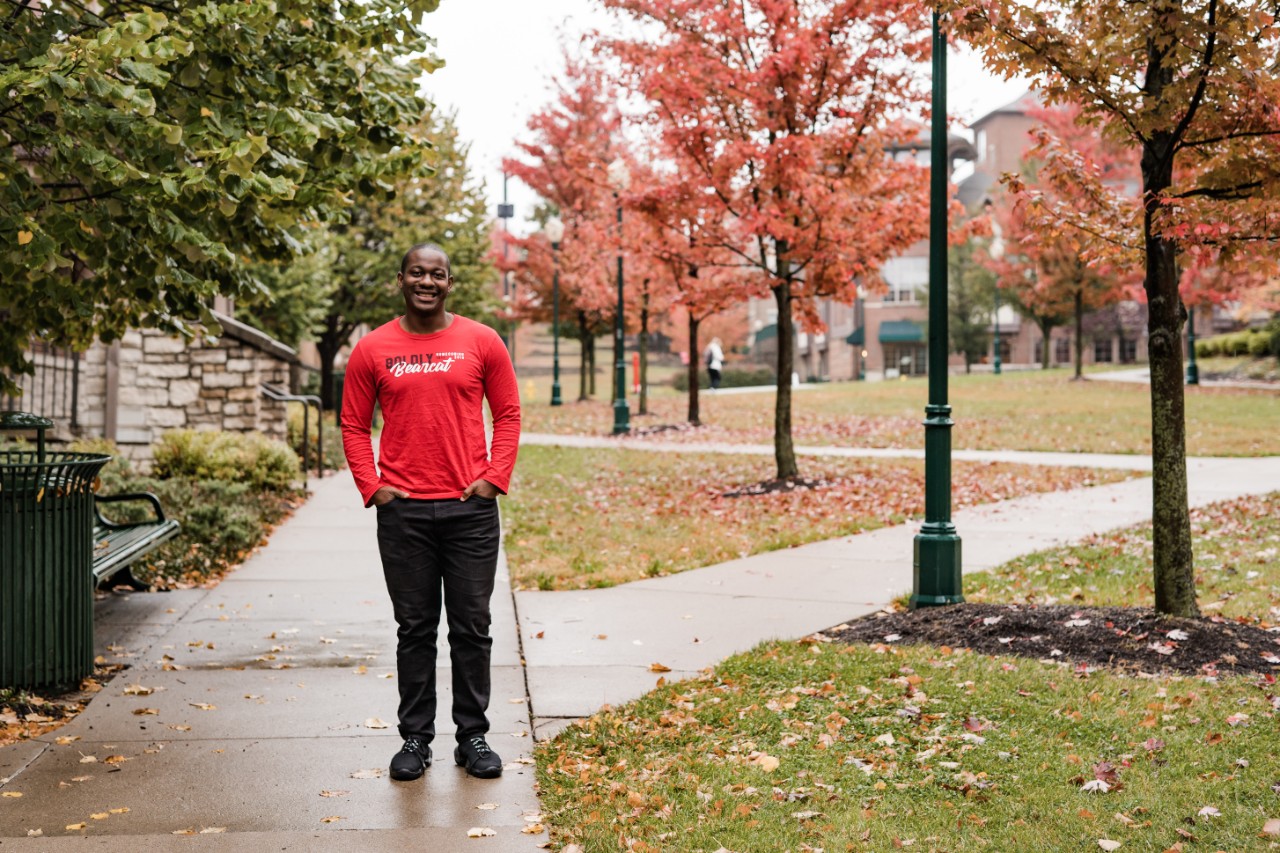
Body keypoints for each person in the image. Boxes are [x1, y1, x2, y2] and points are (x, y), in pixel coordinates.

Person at [340, 243, 521, 782]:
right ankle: (416, 739)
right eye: (417, 272)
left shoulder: (482, 340)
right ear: (401, 279)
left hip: (470, 511)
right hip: (404, 514)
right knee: (415, 628)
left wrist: (494, 477)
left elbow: (508, 413)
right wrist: (373, 487)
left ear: (449, 282)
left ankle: (473, 737)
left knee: (472, 626)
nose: (426, 281)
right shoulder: (372, 348)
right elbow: (353, 424)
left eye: (436, 274)